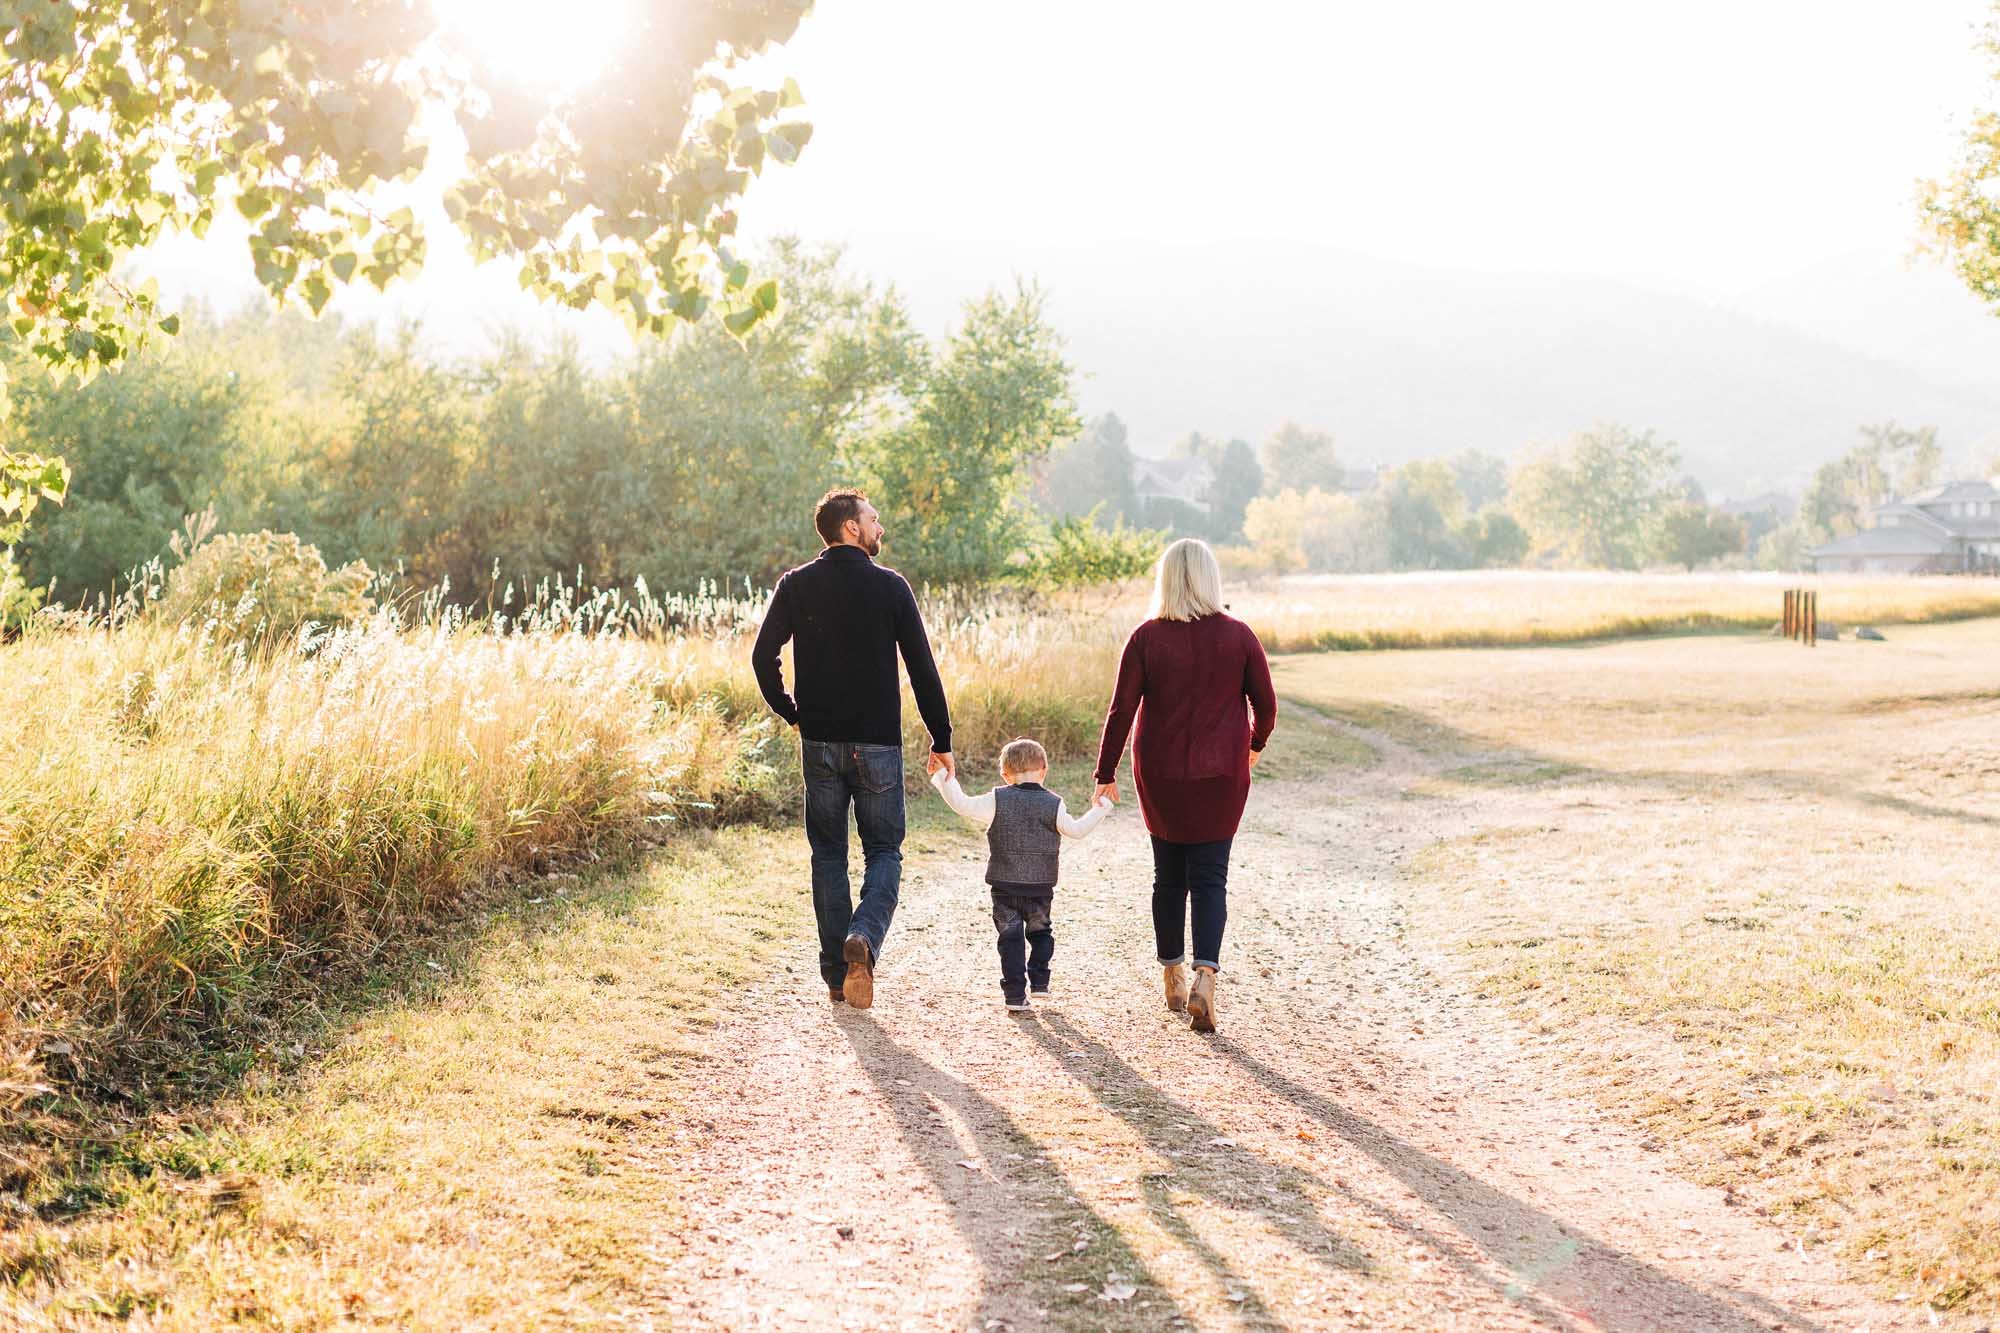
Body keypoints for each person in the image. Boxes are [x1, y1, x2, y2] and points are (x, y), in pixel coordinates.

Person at [750, 488, 955, 1010]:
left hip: (818, 743)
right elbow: (921, 668)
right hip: (878, 747)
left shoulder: (796, 585)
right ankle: (863, 936)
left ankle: (839, 975)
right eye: (873, 520)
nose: (880, 528)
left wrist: (791, 711)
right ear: (850, 528)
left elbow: (761, 656)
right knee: (884, 851)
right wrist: (941, 738)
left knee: (827, 854)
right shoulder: (890, 587)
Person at [1093, 538, 1276, 1034]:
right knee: (1211, 877)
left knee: (1168, 875)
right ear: (1211, 578)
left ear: (1167, 580)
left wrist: (1105, 772)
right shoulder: (1238, 636)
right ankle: (1205, 979)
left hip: (1161, 773)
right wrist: (1252, 745)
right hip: (1221, 775)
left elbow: (1120, 711)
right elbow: (1267, 705)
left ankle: (1171, 975)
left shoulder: (1147, 638)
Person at [930, 737, 1113, 1011]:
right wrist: (1103, 806)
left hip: (1004, 888)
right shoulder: (1053, 803)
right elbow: (1077, 830)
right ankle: (1039, 981)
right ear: (1044, 769)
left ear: (1004, 774)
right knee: (1041, 934)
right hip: (1039, 888)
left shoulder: (996, 799)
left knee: (1010, 940)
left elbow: (962, 803)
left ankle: (1015, 996)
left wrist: (943, 775)